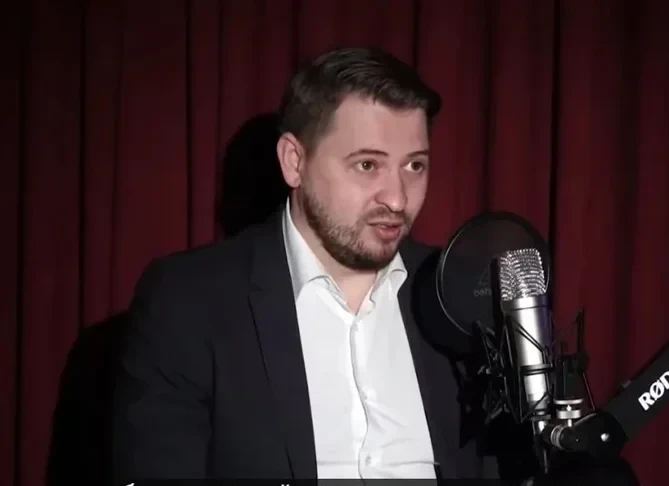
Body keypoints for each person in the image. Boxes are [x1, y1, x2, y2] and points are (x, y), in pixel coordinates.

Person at [110, 46, 507, 483]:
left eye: (414, 165)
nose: (397, 198)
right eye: (367, 165)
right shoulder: (188, 300)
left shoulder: (455, 290)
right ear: (294, 162)